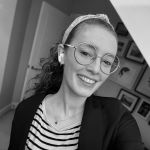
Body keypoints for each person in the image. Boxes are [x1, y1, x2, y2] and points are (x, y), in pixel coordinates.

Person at [8, 14, 144, 150]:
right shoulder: (25, 109)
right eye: (85, 53)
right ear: (62, 54)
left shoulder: (117, 118)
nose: (96, 69)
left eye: (107, 62)